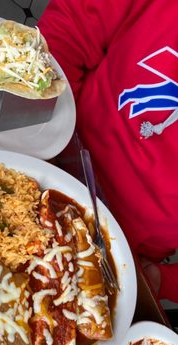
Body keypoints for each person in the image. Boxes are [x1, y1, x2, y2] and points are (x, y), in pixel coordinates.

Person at [38, 0, 178, 302]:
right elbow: (70, 28)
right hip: (51, 151)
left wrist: (162, 280)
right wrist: (41, 130)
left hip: (124, 252)